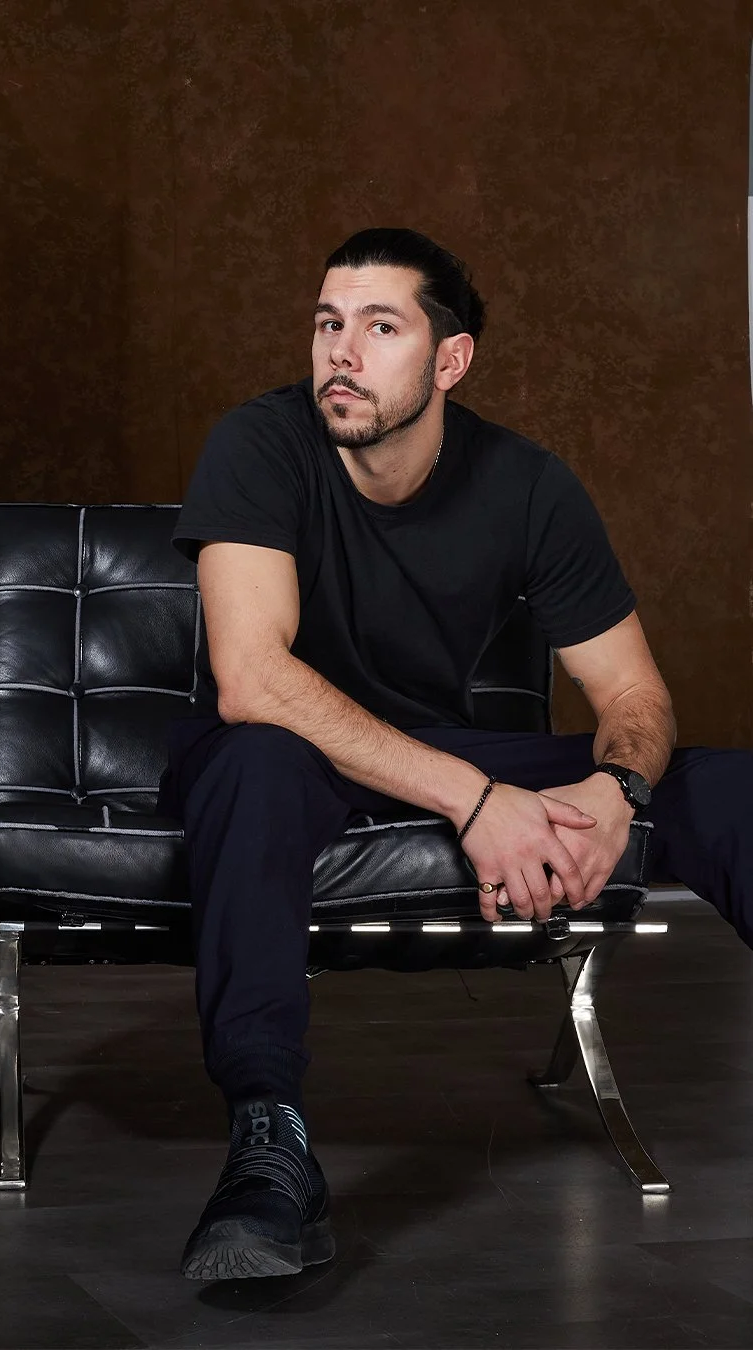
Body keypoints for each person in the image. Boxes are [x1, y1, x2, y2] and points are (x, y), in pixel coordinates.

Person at [155, 227, 752, 1282]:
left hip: (441, 746)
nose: (341, 350)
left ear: (450, 359)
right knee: (252, 762)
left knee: (726, 789)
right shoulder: (258, 444)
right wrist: (479, 803)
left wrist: (616, 790)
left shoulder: (527, 485)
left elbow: (633, 693)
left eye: (381, 327)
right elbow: (254, 679)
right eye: (328, 323)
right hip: (287, 753)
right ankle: (268, 1144)